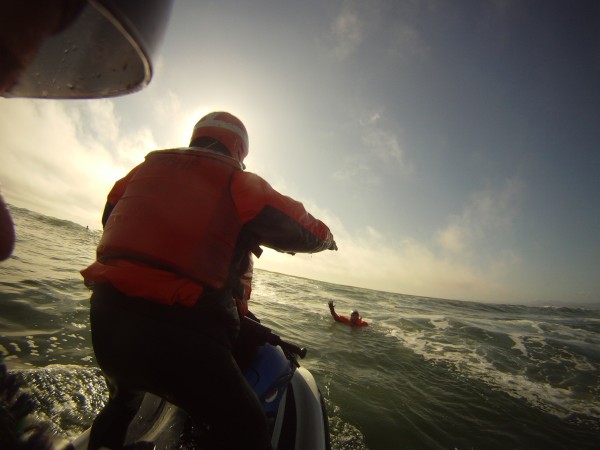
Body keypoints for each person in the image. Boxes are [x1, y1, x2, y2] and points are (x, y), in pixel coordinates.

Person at [80, 111, 337, 450]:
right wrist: (328, 240)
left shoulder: (139, 172)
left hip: (108, 318)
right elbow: (303, 229)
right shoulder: (237, 182)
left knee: (121, 403)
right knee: (249, 430)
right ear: (239, 150)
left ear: (195, 136)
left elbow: (109, 220)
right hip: (187, 333)